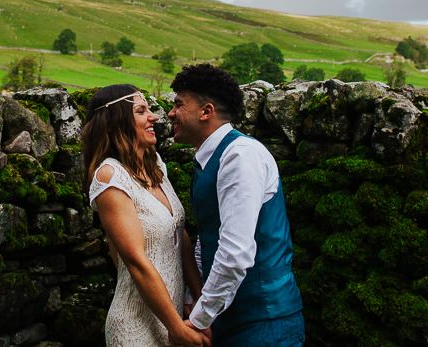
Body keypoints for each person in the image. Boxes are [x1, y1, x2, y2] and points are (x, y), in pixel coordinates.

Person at [168, 64, 304, 346]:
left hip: (264, 320)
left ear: (206, 112)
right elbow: (210, 237)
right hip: (231, 319)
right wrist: (195, 299)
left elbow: (235, 251)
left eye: (179, 105)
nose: (170, 114)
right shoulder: (209, 158)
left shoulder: (240, 156)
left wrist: (198, 320)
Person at [82, 84, 210, 347]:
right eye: (141, 111)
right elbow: (136, 261)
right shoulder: (110, 176)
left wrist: (198, 298)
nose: (154, 117)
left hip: (171, 318)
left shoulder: (156, 166)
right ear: (117, 121)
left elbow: (180, 235)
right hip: (135, 326)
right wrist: (178, 330)